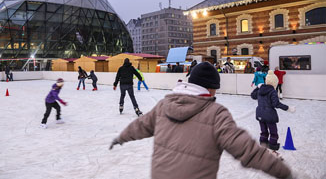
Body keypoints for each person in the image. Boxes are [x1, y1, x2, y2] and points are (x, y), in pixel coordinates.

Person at [109, 62, 292, 179]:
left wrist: (121, 137)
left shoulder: (163, 105)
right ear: (211, 89)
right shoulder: (216, 114)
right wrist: (286, 173)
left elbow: (140, 126)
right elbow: (246, 150)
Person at [251, 70, 295, 158]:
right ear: (274, 83)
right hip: (269, 115)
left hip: (260, 114)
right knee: (273, 133)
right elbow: (276, 104)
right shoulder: (272, 91)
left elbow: (253, 95)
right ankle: (272, 150)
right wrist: (288, 108)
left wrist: (258, 87)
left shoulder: (260, 90)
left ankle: (263, 148)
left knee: (263, 132)